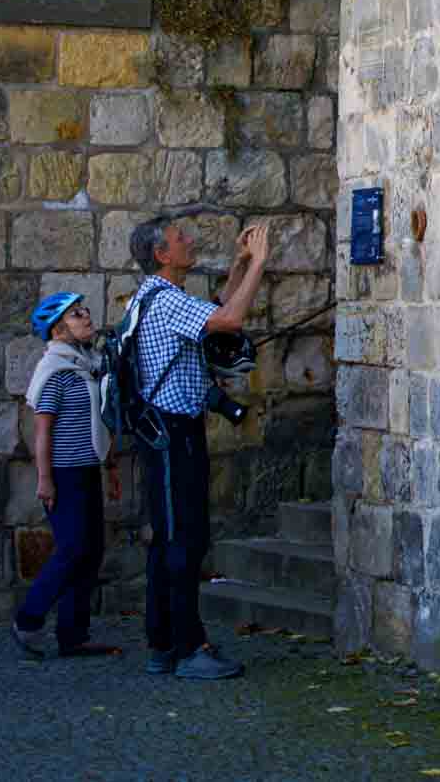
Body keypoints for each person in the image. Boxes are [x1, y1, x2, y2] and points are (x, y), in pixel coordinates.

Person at [124, 214, 269, 680]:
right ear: (161, 255)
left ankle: (163, 643)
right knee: (182, 540)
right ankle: (188, 646)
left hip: (167, 435)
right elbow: (229, 319)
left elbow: (212, 314)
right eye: (179, 238)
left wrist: (239, 266)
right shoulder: (164, 301)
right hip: (172, 435)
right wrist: (261, 263)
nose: (189, 240)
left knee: (172, 538)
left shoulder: (161, 299)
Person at [13, 291, 122, 659]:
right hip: (64, 474)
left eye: (85, 311)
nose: (87, 316)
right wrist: (44, 480)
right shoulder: (56, 372)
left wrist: (110, 466)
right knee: (72, 547)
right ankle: (28, 620)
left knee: (91, 552)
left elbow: (101, 421)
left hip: (88, 469)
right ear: (59, 330)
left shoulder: (87, 364)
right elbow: (42, 430)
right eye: (77, 315)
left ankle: (73, 636)